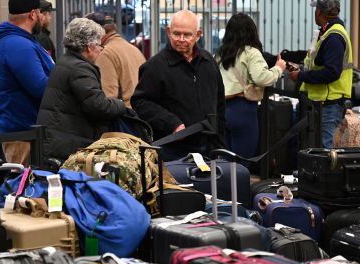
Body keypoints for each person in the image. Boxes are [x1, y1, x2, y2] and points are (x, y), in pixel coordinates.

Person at [131, 9, 226, 161]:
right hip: (172, 150)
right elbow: (140, 102)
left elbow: (219, 105)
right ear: (168, 32)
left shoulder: (208, 62)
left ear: (198, 35)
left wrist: (220, 146)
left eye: (187, 35)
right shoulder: (155, 66)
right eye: (176, 34)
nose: (181, 39)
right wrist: (171, 122)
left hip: (208, 148)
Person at [36, 18, 126, 161]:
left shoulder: (65, 62)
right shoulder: (80, 68)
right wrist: (120, 104)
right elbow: (98, 106)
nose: (101, 50)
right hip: (67, 144)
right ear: (89, 47)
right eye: (99, 45)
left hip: (57, 140)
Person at [0, 0, 55, 166]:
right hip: (23, 134)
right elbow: (40, 87)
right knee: (25, 188)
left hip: (27, 131)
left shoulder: (20, 41)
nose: (43, 17)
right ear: (33, 14)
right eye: (41, 12)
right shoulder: (18, 44)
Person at [216, 13, 286, 162]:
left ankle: (225, 186)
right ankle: (239, 186)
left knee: (225, 161)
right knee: (243, 161)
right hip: (243, 109)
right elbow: (262, 78)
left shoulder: (221, 53)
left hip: (222, 110)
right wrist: (278, 68)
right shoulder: (251, 53)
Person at [289, 0, 352, 148]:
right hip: (321, 103)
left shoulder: (334, 37)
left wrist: (301, 76)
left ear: (319, 12)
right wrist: (300, 69)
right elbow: (317, 65)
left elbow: (332, 72)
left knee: (325, 152)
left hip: (329, 104)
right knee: (316, 152)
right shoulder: (326, 33)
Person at [85, 12, 146, 108]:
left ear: (96, 33)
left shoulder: (105, 54)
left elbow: (107, 98)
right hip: (141, 114)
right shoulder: (134, 49)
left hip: (126, 116)